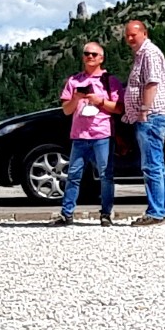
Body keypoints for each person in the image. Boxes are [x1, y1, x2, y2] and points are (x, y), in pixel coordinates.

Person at [55, 40, 120, 225]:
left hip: (102, 134)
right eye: (86, 54)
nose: (89, 57)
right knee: (73, 175)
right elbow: (66, 110)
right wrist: (76, 98)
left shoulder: (110, 81)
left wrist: (99, 101)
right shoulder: (74, 81)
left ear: (101, 58)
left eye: (93, 54)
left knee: (105, 175)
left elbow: (119, 108)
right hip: (79, 136)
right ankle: (66, 213)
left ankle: (106, 213)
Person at [122, 18, 165, 228]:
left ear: (144, 33)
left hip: (151, 115)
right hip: (152, 115)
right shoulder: (142, 54)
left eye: (133, 34)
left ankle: (156, 212)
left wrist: (143, 110)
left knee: (151, 165)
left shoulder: (149, 53)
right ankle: (161, 210)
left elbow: (152, 82)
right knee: (157, 165)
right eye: (127, 35)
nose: (129, 38)